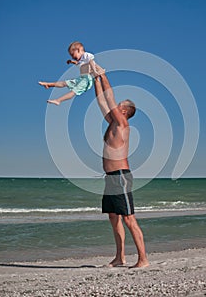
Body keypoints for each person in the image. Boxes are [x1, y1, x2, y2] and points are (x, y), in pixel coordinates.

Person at [94, 73, 149, 268]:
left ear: (124, 111)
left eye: (119, 106)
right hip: (110, 178)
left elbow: (109, 97)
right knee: (113, 216)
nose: (115, 107)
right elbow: (102, 100)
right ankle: (120, 257)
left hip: (120, 177)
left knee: (128, 218)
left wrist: (102, 74)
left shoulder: (123, 124)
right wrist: (94, 78)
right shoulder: (112, 123)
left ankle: (143, 259)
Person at [39, 41, 105, 105]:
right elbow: (78, 63)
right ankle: (49, 84)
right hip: (81, 78)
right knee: (65, 83)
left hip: (87, 80)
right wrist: (72, 62)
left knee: (73, 91)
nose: (72, 57)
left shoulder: (86, 55)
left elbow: (91, 61)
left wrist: (95, 71)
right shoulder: (81, 59)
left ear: (79, 50)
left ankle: (58, 100)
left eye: (73, 54)